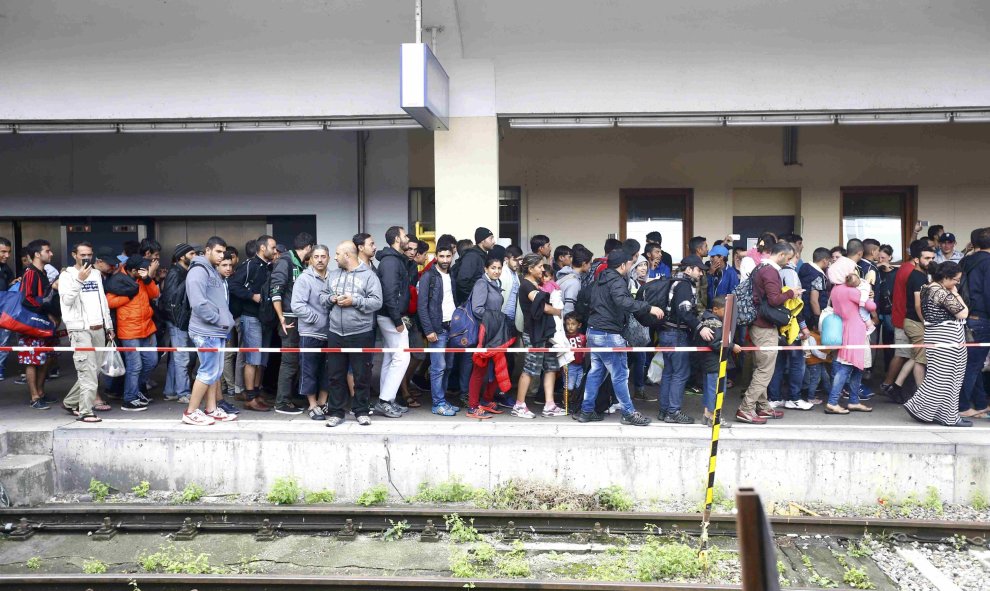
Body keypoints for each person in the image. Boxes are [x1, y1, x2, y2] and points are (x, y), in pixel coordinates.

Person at [577, 249, 662, 426]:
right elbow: (623, 301)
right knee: (620, 375)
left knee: (596, 372)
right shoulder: (616, 280)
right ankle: (629, 413)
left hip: (594, 332)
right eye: (631, 263)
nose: (632, 266)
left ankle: (586, 411)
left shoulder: (600, 278)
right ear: (623, 265)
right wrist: (649, 308)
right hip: (609, 334)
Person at [323, 240, 383, 427]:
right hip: (335, 333)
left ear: (347, 255)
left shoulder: (369, 276)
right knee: (335, 375)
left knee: (361, 374)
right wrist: (331, 298)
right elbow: (322, 297)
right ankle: (336, 412)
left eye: (337, 254)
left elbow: (377, 302)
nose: (334, 257)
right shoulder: (332, 275)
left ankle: (361, 411)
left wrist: (354, 301)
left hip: (361, 333)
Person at [905, 261, 971, 427]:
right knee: (945, 377)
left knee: (944, 376)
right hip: (947, 337)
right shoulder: (941, 292)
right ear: (946, 278)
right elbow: (963, 312)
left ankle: (947, 416)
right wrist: (956, 293)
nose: (957, 283)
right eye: (955, 280)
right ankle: (920, 408)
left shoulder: (927, 288)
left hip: (937, 336)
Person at [736, 242, 794, 424]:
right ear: (782, 255)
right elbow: (775, 299)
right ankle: (746, 408)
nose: (790, 262)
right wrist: (792, 292)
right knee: (765, 369)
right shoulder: (770, 271)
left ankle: (763, 407)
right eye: (789, 258)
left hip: (757, 323)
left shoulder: (760, 267)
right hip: (764, 325)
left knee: (761, 366)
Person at [182, 236, 237, 426]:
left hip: (214, 330)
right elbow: (198, 303)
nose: (222, 256)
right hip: (207, 330)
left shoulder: (210, 270)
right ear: (207, 250)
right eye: (218, 252)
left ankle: (211, 409)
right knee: (207, 372)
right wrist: (219, 320)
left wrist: (221, 322)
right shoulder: (199, 270)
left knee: (215, 372)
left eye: (224, 251)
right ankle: (190, 412)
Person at [59, 242, 115, 422]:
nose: (86, 258)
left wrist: (109, 326)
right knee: (87, 371)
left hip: (99, 327)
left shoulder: (97, 274)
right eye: (82, 254)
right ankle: (85, 411)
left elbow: (102, 302)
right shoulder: (67, 276)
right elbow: (67, 301)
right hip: (80, 329)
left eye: (89, 254)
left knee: (94, 370)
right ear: (74, 255)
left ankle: (70, 401)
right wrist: (79, 280)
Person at [658, 255, 712, 424]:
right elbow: (684, 312)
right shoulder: (684, 286)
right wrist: (700, 327)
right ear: (688, 269)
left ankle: (664, 410)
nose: (701, 274)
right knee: (680, 373)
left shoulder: (673, 281)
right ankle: (673, 412)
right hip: (677, 334)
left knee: (668, 372)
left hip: (666, 332)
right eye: (698, 270)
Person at [512, 253, 566, 418]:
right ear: (530, 269)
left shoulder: (537, 283)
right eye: (540, 266)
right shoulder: (526, 286)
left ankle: (549, 404)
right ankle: (519, 405)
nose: (543, 269)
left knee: (551, 366)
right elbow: (542, 307)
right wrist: (557, 311)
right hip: (534, 333)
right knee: (530, 368)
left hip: (546, 332)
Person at [107, 254, 160, 411]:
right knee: (135, 365)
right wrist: (128, 297)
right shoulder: (118, 279)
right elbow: (109, 301)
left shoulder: (143, 279)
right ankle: (129, 398)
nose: (145, 271)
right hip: (129, 329)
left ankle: (136, 390)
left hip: (147, 327)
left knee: (151, 361)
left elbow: (155, 294)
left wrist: (147, 279)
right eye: (142, 269)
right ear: (133, 270)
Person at [229, 234, 277, 411]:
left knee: (260, 360)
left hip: (265, 319)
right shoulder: (249, 265)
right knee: (252, 359)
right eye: (272, 247)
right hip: (251, 318)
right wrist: (252, 296)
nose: (275, 250)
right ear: (262, 248)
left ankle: (256, 394)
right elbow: (233, 285)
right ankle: (250, 398)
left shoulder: (269, 267)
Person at [270, 232, 315, 415]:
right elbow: (276, 290)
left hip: (297, 318)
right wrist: (281, 317)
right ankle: (281, 402)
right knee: (289, 361)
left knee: (295, 361)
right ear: (309, 247)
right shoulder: (285, 261)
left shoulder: (298, 262)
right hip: (288, 318)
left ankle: (289, 397)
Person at [417, 242, 460, 416]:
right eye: (441, 256)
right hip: (438, 328)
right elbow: (422, 306)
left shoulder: (451, 275)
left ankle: (443, 399)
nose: (445, 260)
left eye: (448, 256)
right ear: (436, 256)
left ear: (452, 256)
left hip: (452, 327)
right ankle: (438, 403)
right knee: (438, 367)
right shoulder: (428, 276)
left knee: (448, 366)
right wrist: (428, 330)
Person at [823, 272, 875, 415]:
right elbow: (872, 306)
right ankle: (833, 402)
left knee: (857, 368)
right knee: (846, 368)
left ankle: (853, 401)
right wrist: (870, 295)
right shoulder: (851, 291)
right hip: (856, 332)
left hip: (845, 329)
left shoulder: (835, 289)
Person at [374, 225, 412, 418]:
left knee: (391, 358)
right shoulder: (391, 262)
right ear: (397, 239)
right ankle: (384, 400)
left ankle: (386, 399)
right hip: (390, 316)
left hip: (389, 315)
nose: (407, 238)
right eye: (404, 235)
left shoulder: (395, 260)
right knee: (403, 356)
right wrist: (398, 319)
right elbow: (389, 292)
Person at [768, 245, 812, 410]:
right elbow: (794, 303)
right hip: (790, 326)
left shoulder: (773, 271)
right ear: (795, 256)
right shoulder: (791, 273)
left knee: (777, 362)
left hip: (775, 324)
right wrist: (803, 326)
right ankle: (794, 398)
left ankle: (774, 397)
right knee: (796, 362)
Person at [291, 244, 331, 421]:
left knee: (328, 370)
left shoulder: (333, 277)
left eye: (323, 256)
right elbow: (297, 305)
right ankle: (312, 405)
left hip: (330, 333)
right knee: (309, 370)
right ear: (310, 259)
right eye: (316, 257)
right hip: (310, 333)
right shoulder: (304, 279)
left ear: (328, 258)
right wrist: (317, 319)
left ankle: (323, 403)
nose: (320, 260)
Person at [17, 239, 58, 409]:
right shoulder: (31, 273)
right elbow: (27, 299)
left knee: (47, 358)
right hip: (32, 324)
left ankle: (40, 392)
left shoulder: (41, 273)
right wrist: (46, 312)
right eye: (47, 251)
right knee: (32, 360)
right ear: (37, 254)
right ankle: (35, 397)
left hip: (42, 324)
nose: (51, 254)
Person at [465, 254, 507, 419]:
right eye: (493, 268)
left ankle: (486, 400)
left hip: (494, 332)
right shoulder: (482, 283)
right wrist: (497, 319)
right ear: (486, 269)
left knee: (499, 367)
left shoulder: (496, 283)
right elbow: (477, 309)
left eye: (499, 268)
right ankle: (473, 407)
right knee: (479, 369)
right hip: (485, 332)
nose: (496, 271)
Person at [694, 296, 740, 427]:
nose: (727, 314)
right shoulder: (715, 322)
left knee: (709, 390)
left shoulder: (705, 317)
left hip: (707, 361)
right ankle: (715, 418)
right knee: (717, 391)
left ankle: (707, 415)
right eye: (725, 311)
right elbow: (716, 343)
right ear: (715, 309)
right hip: (714, 362)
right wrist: (732, 346)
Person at [959, 227, 990, 418]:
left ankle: (979, 403)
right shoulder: (988, 263)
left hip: (964, 317)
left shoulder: (965, 261)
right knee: (972, 365)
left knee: (973, 364)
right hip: (982, 318)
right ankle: (961, 406)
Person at [161, 243, 196, 404]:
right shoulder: (176, 272)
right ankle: (183, 392)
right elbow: (171, 298)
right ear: (182, 257)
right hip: (177, 321)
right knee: (182, 357)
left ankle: (170, 390)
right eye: (191, 254)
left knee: (178, 357)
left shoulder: (181, 271)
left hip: (180, 320)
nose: (195, 257)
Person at [902, 242, 936, 390]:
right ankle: (921, 393)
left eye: (932, 258)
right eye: (927, 258)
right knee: (921, 359)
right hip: (915, 321)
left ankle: (897, 385)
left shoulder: (922, 276)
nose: (930, 261)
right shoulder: (917, 277)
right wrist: (926, 323)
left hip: (914, 321)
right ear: (916, 259)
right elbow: (917, 305)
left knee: (916, 357)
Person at [798, 247, 830, 329]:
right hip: (811, 317)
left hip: (801, 311)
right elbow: (814, 301)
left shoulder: (804, 268)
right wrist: (818, 320)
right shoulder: (818, 276)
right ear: (824, 260)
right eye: (828, 261)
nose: (829, 264)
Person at [0, 237, 17, 382]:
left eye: (8, 252)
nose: (7, 255)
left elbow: (9, 285)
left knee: (4, 340)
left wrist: (15, 283)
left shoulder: (6, 268)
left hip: (4, 310)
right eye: (3, 252)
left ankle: (0, 368)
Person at [562, 312, 587, 401]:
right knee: (569, 386)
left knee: (579, 385)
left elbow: (585, 351)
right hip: (569, 365)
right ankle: (565, 402)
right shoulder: (564, 338)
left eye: (573, 324)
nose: (570, 326)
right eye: (568, 324)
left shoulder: (583, 337)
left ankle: (573, 402)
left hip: (580, 366)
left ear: (579, 325)